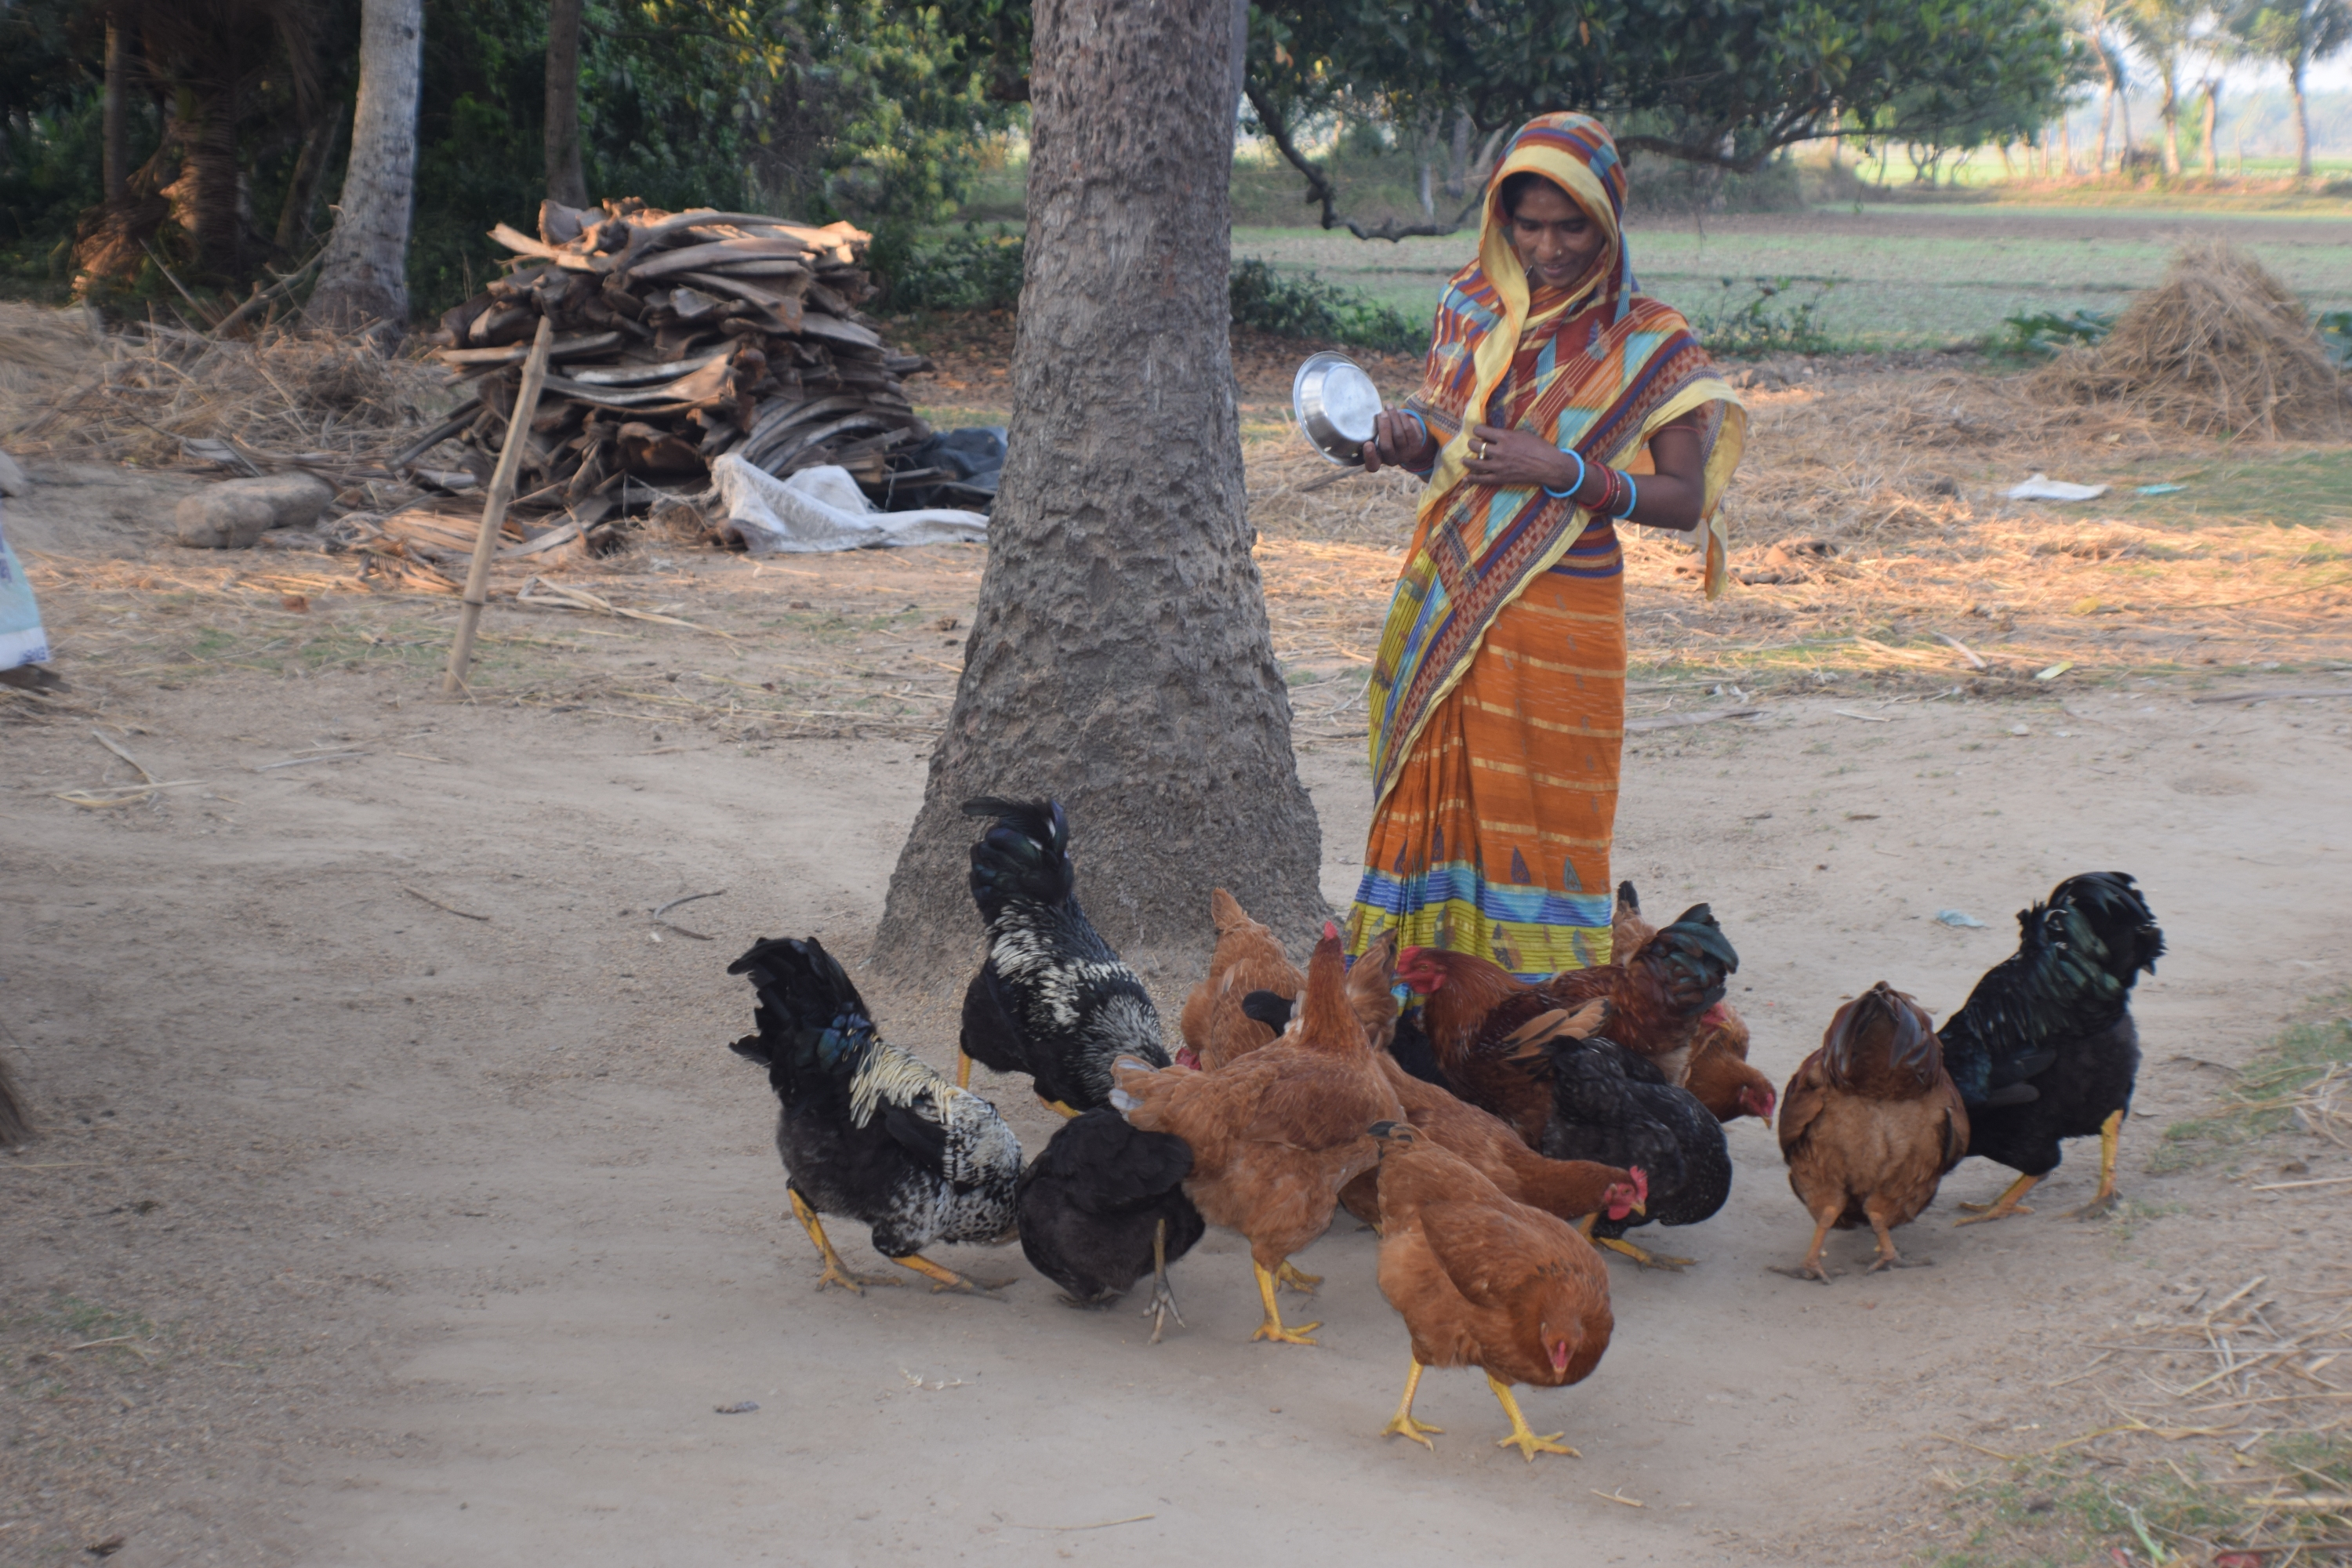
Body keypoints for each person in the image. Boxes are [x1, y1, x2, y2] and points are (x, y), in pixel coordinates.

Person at [1343, 112, 1744, 981]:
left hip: (1564, 608)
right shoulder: (1466, 306)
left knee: (1546, 809)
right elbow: (1453, 457)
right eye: (1529, 225)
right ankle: (1419, 998)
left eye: (1572, 225)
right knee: (1435, 786)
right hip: (1450, 586)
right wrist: (1402, 439)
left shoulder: (1649, 340)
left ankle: (1540, 1003)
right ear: (1500, 218)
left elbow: (1681, 501)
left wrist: (1561, 467)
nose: (1549, 246)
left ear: (1608, 220)